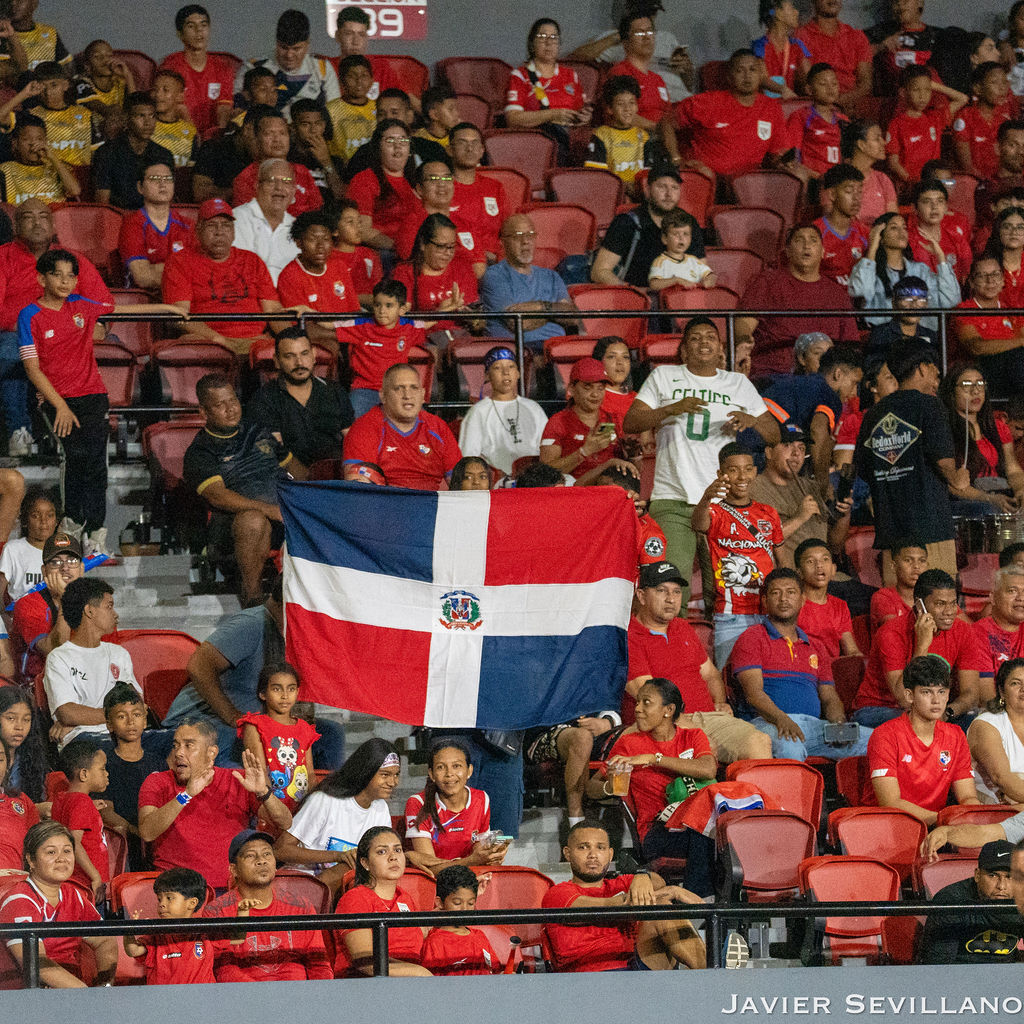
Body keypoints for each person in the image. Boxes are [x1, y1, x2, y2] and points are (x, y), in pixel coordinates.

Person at [19, 249, 179, 552]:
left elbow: (120, 309)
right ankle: (72, 525)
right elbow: (32, 368)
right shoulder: (30, 315)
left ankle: (97, 532)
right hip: (55, 399)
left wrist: (166, 307)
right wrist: (61, 406)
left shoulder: (81, 306)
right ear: (41, 278)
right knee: (75, 456)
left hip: (92, 395)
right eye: (57, 274)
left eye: (71, 275)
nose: (66, 281)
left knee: (96, 462)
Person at [624, 317, 777, 604]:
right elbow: (631, 422)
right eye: (695, 337)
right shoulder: (663, 376)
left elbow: (773, 434)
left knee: (724, 588)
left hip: (722, 503)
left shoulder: (738, 383)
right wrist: (671, 409)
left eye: (710, 337)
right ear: (683, 350)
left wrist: (751, 420)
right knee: (669, 588)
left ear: (721, 349)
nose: (703, 342)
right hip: (672, 498)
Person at [164, 576, 344, 769]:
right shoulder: (252, 623)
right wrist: (233, 716)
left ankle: (320, 798)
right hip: (207, 720)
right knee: (245, 740)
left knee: (330, 734)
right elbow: (198, 666)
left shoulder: (293, 634)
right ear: (285, 600)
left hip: (261, 724)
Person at [626, 559, 772, 763]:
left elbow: (711, 674)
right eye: (661, 591)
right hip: (667, 724)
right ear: (641, 596)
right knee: (703, 752)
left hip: (708, 717)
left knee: (759, 741)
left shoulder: (682, 628)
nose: (671, 599)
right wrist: (691, 729)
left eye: (677, 592)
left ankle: (742, 795)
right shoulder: (628, 636)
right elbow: (648, 697)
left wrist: (720, 702)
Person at [585, 677, 717, 897]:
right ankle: (697, 907)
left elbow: (708, 769)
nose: (637, 709)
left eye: (646, 702)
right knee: (703, 834)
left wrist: (654, 759)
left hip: (695, 822)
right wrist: (611, 786)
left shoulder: (692, 736)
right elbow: (591, 787)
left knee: (725, 832)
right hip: (657, 832)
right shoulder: (629, 744)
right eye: (637, 702)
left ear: (668, 710)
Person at [183, 374, 301, 606]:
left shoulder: (257, 432)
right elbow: (219, 496)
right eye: (220, 405)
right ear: (203, 412)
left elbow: (296, 469)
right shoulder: (200, 451)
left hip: (280, 512)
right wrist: (269, 509)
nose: (231, 409)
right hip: (232, 527)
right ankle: (252, 597)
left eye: (233, 401)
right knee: (253, 520)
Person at [854, 342, 967, 583]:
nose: (937, 375)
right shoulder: (930, 405)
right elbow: (945, 464)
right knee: (939, 603)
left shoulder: (873, 414)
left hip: (891, 534)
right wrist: (958, 477)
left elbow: (863, 469)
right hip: (930, 531)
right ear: (922, 368)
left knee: (898, 607)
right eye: (934, 369)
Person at [732, 568, 871, 761]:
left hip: (814, 727)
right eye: (775, 593)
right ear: (765, 601)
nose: (783, 599)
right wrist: (782, 719)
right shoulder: (753, 638)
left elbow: (829, 696)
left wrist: (838, 722)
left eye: (790, 592)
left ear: (802, 599)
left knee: (878, 741)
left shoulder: (815, 646)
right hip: (767, 723)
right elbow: (754, 695)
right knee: (790, 746)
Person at [138, 720, 291, 890]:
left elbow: (284, 822)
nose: (179, 753)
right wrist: (186, 795)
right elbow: (147, 832)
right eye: (176, 746)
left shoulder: (238, 780)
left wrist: (263, 792)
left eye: (189, 746)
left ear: (211, 753)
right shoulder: (157, 782)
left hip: (232, 889)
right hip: (178, 892)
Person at [542, 818, 709, 972]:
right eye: (583, 847)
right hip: (587, 978)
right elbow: (607, 906)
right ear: (567, 853)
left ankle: (710, 978)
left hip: (635, 969)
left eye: (600, 847)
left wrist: (642, 875)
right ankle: (712, 975)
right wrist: (673, 891)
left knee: (662, 907)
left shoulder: (620, 883)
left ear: (610, 854)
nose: (592, 854)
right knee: (659, 904)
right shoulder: (557, 893)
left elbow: (658, 882)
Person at [855, 569, 985, 728]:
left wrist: (948, 712)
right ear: (919, 605)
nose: (949, 612)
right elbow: (903, 698)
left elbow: (971, 694)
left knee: (979, 723)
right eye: (940, 604)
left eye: (953, 603)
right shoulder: (891, 633)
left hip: (935, 710)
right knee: (920, 721)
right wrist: (922, 645)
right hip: (879, 709)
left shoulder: (963, 631)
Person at [693, 442, 783, 667]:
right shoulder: (715, 511)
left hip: (768, 614)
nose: (742, 476)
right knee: (729, 679)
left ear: (755, 471)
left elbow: (783, 561)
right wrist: (706, 497)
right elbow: (698, 523)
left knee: (769, 679)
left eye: (747, 469)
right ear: (721, 474)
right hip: (730, 616)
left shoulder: (768, 513)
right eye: (733, 470)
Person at [201, 829, 332, 981]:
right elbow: (223, 969)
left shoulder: (301, 907)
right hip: (246, 998)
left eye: (267, 854)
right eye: (250, 855)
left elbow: (319, 965)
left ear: (275, 865)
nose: (261, 860)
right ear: (234, 870)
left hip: (298, 996)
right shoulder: (218, 911)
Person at [273, 738, 398, 892]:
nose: (393, 782)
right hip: (303, 885)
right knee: (349, 867)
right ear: (366, 771)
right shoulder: (325, 800)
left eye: (396, 775)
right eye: (385, 775)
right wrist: (336, 856)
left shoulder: (381, 808)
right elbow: (280, 850)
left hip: (347, 887)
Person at [162, 198, 284, 357]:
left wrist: (291, 337)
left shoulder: (252, 260)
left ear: (233, 232)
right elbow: (180, 316)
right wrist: (216, 338)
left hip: (255, 339)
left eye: (226, 225)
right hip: (208, 340)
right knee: (194, 345)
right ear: (198, 230)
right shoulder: (179, 261)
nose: (219, 231)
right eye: (212, 225)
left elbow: (273, 310)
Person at [866, 655, 980, 823]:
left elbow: (968, 796)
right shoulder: (885, 735)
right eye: (927, 692)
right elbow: (890, 803)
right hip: (885, 827)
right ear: (909, 695)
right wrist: (944, 820)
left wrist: (973, 816)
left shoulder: (956, 735)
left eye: (941, 692)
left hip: (935, 826)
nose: (936, 700)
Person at [0, 821, 115, 988]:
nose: (62, 859)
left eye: (67, 851)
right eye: (51, 852)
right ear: (31, 860)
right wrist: (88, 997)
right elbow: (37, 964)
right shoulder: (19, 899)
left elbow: (105, 941)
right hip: (27, 998)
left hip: (72, 993)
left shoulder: (75, 894)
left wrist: (105, 987)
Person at [737, 224, 859, 375]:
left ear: (822, 252)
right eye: (799, 240)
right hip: (774, 376)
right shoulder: (767, 282)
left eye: (813, 240)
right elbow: (743, 323)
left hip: (823, 380)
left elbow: (850, 344)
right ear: (787, 251)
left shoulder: (837, 294)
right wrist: (743, 341)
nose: (807, 245)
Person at [42, 577, 141, 752]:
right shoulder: (59, 658)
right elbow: (67, 712)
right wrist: (119, 715)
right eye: (109, 606)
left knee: (174, 739)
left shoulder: (119, 654)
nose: (115, 614)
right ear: (89, 611)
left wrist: (83, 717)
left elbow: (136, 702)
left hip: (124, 735)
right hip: (84, 739)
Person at [674, 48, 795, 181]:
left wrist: (782, 162)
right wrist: (677, 159)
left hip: (747, 183)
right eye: (740, 70)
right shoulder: (708, 102)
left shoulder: (771, 108)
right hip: (708, 178)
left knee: (797, 174)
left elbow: (776, 153)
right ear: (729, 77)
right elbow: (666, 122)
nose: (747, 76)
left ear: (760, 75)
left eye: (752, 70)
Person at [246, 327, 353, 470]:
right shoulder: (264, 399)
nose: (299, 363)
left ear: (314, 356)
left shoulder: (334, 390)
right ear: (277, 361)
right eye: (289, 356)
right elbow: (276, 454)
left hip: (336, 474)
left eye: (304, 354)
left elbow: (352, 441)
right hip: (291, 478)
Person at [333, 824, 432, 976]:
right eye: (382, 851)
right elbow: (366, 962)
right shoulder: (355, 899)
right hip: (366, 985)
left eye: (398, 850)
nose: (393, 857)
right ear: (365, 863)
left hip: (411, 982)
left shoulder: (405, 898)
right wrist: (420, 973)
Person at [343, 363, 460, 490]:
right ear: (383, 396)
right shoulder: (364, 428)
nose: (407, 395)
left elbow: (461, 483)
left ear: (423, 395)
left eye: (414, 388)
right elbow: (357, 489)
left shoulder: (438, 427)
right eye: (399, 388)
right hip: (386, 504)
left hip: (432, 503)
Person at [761, 344, 863, 490]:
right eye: (854, 383)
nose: (854, 392)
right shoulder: (828, 394)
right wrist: (823, 484)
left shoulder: (805, 383)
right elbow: (818, 431)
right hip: (759, 450)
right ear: (838, 374)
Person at [750, 426, 849, 569]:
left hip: (825, 576)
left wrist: (844, 515)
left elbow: (834, 546)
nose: (796, 453)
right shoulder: (754, 489)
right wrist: (799, 518)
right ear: (769, 452)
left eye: (802, 448)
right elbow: (755, 541)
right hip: (790, 580)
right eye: (787, 445)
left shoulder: (811, 487)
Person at [405, 738, 508, 873]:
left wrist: (490, 855)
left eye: (457, 766)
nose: (449, 774)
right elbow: (429, 868)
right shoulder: (418, 803)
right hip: (434, 883)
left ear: (469, 770)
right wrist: (472, 861)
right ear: (431, 774)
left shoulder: (481, 798)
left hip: (470, 878)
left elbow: (478, 848)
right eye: (441, 767)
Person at [479, 212, 577, 351]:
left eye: (530, 235)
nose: (525, 241)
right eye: (517, 236)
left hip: (556, 348)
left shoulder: (551, 276)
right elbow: (517, 322)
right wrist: (554, 312)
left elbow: (572, 317)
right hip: (518, 351)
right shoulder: (495, 276)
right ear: (503, 243)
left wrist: (541, 307)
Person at [591, 166, 699, 287]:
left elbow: (700, 272)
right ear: (647, 190)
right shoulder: (627, 222)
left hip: (679, 298)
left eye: (674, 188)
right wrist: (635, 293)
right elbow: (599, 272)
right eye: (662, 187)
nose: (669, 194)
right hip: (638, 297)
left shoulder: (690, 224)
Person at [336, 278, 427, 419]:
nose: (382, 311)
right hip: (364, 390)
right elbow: (329, 323)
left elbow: (431, 321)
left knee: (418, 422)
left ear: (402, 310)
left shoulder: (408, 327)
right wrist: (307, 311)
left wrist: (450, 307)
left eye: (389, 305)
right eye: (377, 305)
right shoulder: (361, 325)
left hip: (397, 390)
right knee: (350, 422)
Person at [940, 363, 1024, 515]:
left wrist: (1021, 491)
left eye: (980, 384)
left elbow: (1013, 470)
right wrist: (989, 499)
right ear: (952, 392)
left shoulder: (998, 427)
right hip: (971, 502)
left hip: (1000, 493)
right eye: (966, 385)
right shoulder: (944, 429)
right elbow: (953, 485)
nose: (976, 391)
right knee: (988, 509)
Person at [920, 839, 1021, 964]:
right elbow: (939, 967)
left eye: (1009, 877)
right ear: (977, 875)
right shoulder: (951, 901)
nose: (1001, 886)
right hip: (959, 976)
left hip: (1006, 976)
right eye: (993, 875)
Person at [505, 17, 590, 164]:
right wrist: (552, 114)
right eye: (542, 37)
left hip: (568, 141)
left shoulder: (570, 75)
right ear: (532, 43)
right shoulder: (520, 75)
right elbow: (512, 119)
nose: (549, 42)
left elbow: (579, 113)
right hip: (533, 144)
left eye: (553, 37)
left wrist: (584, 118)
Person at [100, 682, 166, 871]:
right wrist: (137, 832)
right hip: (123, 843)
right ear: (109, 725)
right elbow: (106, 811)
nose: (131, 722)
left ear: (145, 720)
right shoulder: (104, 763)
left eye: (136, 715)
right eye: (122, 716)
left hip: (155, 840)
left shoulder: (158, 763)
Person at [237, 662, 317, 813]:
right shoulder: (255, 726)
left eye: (291, 689)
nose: (285, 695)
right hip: (267, 804)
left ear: (297, 692)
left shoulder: (305, 728)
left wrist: (313, 807)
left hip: (301, 808)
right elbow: (260, 772)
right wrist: (272, 808)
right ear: (262, 694)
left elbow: (310, 774)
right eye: (276, 689)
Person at [233, 8, 339, 121]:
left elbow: (335, 115)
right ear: (276, 42)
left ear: (307, 44)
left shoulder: (322, 70)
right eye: (283, 48)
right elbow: (236, 109)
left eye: (296, 49)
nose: (289, 55)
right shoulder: (253, 67)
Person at [275, 209, 359, 352]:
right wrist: (347, 337)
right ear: (298, 242)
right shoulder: (290, 275)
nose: (320, 246)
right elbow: (305, 327)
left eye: (326, 239)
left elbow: (354, 312)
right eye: (312, 240)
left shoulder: (339, 267)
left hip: (345, 335)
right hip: (321, 340)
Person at [540, 357, 631, 486]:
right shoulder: (558, 422)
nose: (595, 394)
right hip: (574, 494)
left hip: (612, 491)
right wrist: (585, 451)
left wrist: (633, 454)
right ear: (571, 388)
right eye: (587, 387)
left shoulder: (615, 419)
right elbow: (545, 475)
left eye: (600, 388)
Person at [457, 345, 546, 477]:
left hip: (535, 477)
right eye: (497, 368)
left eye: (511, 367)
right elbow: (468, 457)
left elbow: (547, 448)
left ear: (518, 373)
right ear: (487, 375)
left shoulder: (533, 408)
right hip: (499, 481)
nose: (506, 372)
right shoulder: (479, 412)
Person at [10, 528, 83, 685]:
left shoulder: (95, 601)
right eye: (56, 562)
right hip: (38, 689)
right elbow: (56, 649)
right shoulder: (27, 605)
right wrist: (65, 599)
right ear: (44, 571)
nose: (65, 568)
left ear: (81, 569)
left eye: (72, 561)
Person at [122, 866, 215, 984]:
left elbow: (237, 939)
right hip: (162, 1000)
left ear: (192, 903)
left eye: (169, 898)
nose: (162, 904)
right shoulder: (156, 935)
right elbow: (133, 951)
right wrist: (129, 932)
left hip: (200, 1000)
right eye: (160, 899)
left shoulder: (207, 933)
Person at [607, 9, 676, 162]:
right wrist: (658, 128)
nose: (646, 37)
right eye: (639, 33)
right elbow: (621, 115)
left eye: (650, 32)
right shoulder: (620, 72)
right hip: (636, 141)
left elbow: (669, 116)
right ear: (625, 43)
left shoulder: (657, 79)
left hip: (663, 140)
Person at [884, 66, 966, 190]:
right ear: (903, 93)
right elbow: (893, 163)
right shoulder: (896, 124)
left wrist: (935, 85)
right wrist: (911, 181)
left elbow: (962, 99)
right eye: (916, 90)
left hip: (936, 184)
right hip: (912, 186)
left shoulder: (934, 118)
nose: (922, 96)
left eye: (927, 90)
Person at [954, 256, 1024, 401]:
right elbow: (976, 347)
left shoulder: (1010, 310)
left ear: (1003, 279)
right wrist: (1020, 342)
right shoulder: (965, 310)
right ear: (971, 282)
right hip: (981, 375)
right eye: (982, 275)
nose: (990, 280)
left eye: (995, 274)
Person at [117, 161, 192, 292]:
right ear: (140, 187)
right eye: (155, 179)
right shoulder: (132, 225)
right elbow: (143, 277)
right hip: (146, 302)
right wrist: (182, 271)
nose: (162, 184)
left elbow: (202, 270)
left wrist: (157, 268)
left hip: (183, 295)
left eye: (168, 179)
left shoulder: (188, 225)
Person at [231, 109, 321, 216]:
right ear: (257, 139)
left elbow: (317, 214)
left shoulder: (303, 172)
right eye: (269, 133)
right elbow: (247, 220)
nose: (277, 139)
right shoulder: (245, 179)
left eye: (282, 133)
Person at [92, 92, 174, 210]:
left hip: (151, 220)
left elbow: (165, 200)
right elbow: (102, 203)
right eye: (140, 116)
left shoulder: (163, 155)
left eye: (152, 116)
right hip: (117, 219)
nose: (147, 123)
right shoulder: (107, 152)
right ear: (126, 119)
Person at [160, 5, 235, 133]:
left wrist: (219, 136)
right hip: (180, 136)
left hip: (213, 139)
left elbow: (224, 105)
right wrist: (194, 138)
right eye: (191, 26)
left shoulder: (222, 67)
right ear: (180, 34)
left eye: (203, 25)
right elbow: (172, 108)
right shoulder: (170, 66)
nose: (199, 30)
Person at [346, 118, 418, 251]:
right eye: (390, 141)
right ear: (378, 148)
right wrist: (400, 249)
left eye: (403, 140)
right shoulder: (365, 180)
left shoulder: (415, 182)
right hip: (384, 252)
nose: (398, 146)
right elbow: (363, 230)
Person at [50, 738, 108, 898]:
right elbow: (73, 841)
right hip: (85, 883)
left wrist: (90, 809)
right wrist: (95, 876)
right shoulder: (82, 802)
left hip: (71, 882)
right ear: (84, 774)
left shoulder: (62, 798)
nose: (107, 774)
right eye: (102, 769)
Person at [231, 158, 300, 285]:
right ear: (257, 186)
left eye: (286, 182)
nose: (279, 187)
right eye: (272, 181)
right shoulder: (236, 219)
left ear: (293, 191)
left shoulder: (298, 228)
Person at [421, 865, 499, 976]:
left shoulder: (480, 936)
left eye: (471, 903)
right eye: (457, 903)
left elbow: (496, 973)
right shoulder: (434, 943)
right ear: (440, 903)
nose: (465, 909)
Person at [585, 75, 655, 198]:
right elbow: (597, 176)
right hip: (611, 194)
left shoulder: (643, 136)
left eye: (632, 103)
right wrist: (624, 187)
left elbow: (649, 174)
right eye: (620, 104)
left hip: (640, 193)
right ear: (609, 109)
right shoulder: (601, 135)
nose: (627, 109)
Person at [795, 0, 873, 110]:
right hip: (818, 108)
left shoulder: (857, 36)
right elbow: (806, 82)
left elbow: (865, 84)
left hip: (851, 107)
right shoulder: (801, 36)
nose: (833, 1)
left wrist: (843, 101)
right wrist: (830, 104)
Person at [968, 657, 1024, 805]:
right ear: (1002, 691)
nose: (1023, 689)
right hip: (994, 810)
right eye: (1015, 683)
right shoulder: (986, 724)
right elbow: (1001, 778)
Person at [795, 537, 861, 659]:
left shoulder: (839, 605)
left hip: (831, 673)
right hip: (802, 672)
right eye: (810, 561)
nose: (819, 565)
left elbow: (851, 649)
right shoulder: (793, 604)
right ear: (799, 572)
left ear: (833, 569)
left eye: (825, 559)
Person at [450, 122, 507, 262]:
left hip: (495, 264)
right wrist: (479, 256)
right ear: (450, 149)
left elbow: (508, 230)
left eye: (475, 143)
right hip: (458, 262)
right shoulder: (441, 188)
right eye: (462, 143)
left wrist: (499, 258)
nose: (470, 148)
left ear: (482, 150)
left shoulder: (494, 187)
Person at [952, 63, 1014, 181]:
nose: (1002, 88)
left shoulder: (1005, 119)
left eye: (1004, 82)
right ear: (978, 89)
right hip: (976, 183)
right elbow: (967, 167)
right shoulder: (965, 117)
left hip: (1001, 181)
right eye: (994, 82)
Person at [0, 114, 79, 206]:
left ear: (46, 142)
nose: (34, 144)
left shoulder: (58, 167)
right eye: (26, 139)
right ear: (15, 144)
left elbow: (75, 191)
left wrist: (53, 158)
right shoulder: (5, 170)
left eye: (39, 139)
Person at [906, 178, 972, 285]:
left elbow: (965, 276)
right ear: (914, 208)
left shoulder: (956, 238)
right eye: (927, 201)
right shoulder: (906, 240)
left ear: (946, 207)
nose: (934, 207)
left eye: (940, 201)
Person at [790, 65, 849, 182]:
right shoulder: (800, 117)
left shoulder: (844, 120)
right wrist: (817, 177)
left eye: (834, 83)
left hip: (839, 182)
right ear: (809, 89)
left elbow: (849, 156)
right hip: (813, 180)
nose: (830, 88)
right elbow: (793, 158)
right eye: (823, 84)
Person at [815, 165, 868, 285]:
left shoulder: (865, 233)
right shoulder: (815, 233)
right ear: (832, 194)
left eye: (859, 192)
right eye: (849, 191)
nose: (856, 198)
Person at [0, 484, 54, 603]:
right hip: (20, 618)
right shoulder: (13, 549)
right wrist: (6, 618)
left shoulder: (64, 551)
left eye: (49, 515)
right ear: (25, 520)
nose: (43, 521)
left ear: (56, 520)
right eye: (35, 516)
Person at [841, 119, 898, 224]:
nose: (884, 142)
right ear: (861, 145)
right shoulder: (838, 178)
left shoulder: (882, 179)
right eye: (877, 138)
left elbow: (893, 222)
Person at [647, 207, 715, 291]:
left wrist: (709, 280)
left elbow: (710, 275)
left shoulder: (694, 261)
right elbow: (654, 284)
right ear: (665, 239)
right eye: (676, 234)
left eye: (686, 234)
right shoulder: (661, 262)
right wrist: (676, 281)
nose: (681, 239)